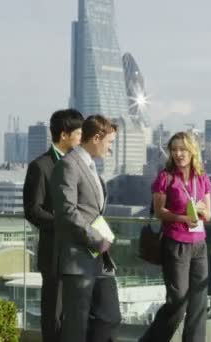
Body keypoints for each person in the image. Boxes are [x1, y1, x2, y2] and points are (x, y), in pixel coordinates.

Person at [51, 114, 121, 342]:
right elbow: (67, 212)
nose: (110, 148)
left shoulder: (92, 168)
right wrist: (96, 238)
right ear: (97, 138)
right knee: (76, 326)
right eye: (109, 142)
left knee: (110, 316)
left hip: (99, 259)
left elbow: (93, 211)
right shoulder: (68, 165)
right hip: (78, 259)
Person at [140, 132, 211, 342]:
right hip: (176, 242)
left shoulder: (202, 177)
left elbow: (209, 213)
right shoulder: (166, 177)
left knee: (199, 302)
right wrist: (182, 217)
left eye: (183, 149)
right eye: (174, 150)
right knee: (178, 302)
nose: (179, 154)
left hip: (199, 243)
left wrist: (202, 211)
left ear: (192, 151)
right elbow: (159, 211)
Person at [23, 109, 83, 342]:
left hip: (78, 250)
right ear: (65, 134)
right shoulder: (41, 166)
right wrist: (62, 223)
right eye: (78, 133)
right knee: (54, 312)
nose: (81, 137)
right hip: (54, 250)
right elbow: (33, 210)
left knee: (74, 312)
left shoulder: (78, 164)